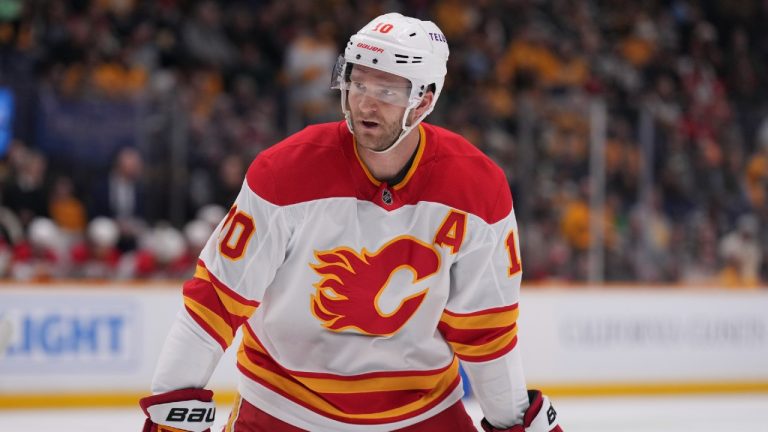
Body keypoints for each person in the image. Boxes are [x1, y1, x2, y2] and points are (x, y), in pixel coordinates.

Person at [140, 12, 562, 432]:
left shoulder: (478, 189)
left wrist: (513, 423)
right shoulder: (283, 173)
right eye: (359, 82)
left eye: (387, 89)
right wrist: (171, 415)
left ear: (425, 99)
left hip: (422, 413)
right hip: (284, 408)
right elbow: (214, 303)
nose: (365, 102)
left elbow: (486, 333)